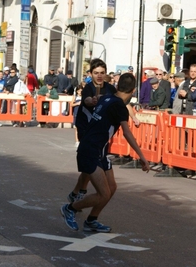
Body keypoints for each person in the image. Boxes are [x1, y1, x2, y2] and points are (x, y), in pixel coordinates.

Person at [61, 73, 150, 232]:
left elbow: (100, 100)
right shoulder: (119, 106)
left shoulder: (107, 98)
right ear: (134, 90)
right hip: (90, 150)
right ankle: (70, 208)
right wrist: (142, 157)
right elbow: (127, 133)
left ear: (117, 86)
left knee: (111, 188)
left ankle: (91, 220)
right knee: (103, 193)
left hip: (99, 151)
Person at [67, 58, 140, 209]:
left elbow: (121, 102)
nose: (99, 76)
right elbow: (87, 100)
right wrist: (92, 101)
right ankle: (78, 193)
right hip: (87, 129)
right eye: (96, 73)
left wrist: (133, 116)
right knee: (91, 164)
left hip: (101, 134)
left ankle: (85, 206)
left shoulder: (110, 90)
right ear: (91, 74)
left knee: (103, 179)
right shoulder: (88, 88)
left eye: (102, 73)